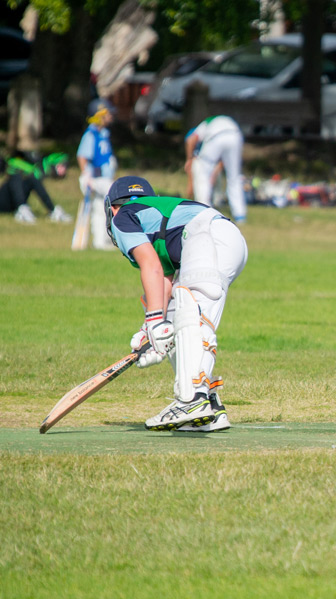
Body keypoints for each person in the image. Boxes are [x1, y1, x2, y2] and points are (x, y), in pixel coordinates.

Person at [105, 175, 248, 431]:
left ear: (112, 207)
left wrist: (154, 320)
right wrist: (150, 328)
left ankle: (192, 398)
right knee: (176, 313)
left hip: (205, 238)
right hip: (226, 239)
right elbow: (164, 283)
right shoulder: (160, 217)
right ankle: (209, 407)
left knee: (190, 313)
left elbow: (150, 265)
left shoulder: (122, 216)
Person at [184, 115, 247, 224]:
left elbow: (190, 140)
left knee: (202, 172)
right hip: (235, 135)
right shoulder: (220, 121)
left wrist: (189, 159)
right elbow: (220, 163)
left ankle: (204, 210)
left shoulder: (201, 127)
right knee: (234, 176)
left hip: (216, 137)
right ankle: (240, 214)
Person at [77, 99, 118, 249]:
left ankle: (103, 240)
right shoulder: (91, 134)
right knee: (105, 206)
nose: (111, 116)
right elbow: (82, 156)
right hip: (95, 178)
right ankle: (100, 241)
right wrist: (86, 175)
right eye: (108, 114)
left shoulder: (103, 133)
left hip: (105, 178)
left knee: (103, 208)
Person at [1, 151, 72, 223]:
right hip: (3, 201)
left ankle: (53, 211)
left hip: (12, 205)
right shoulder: (17, 169)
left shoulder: (34, 172)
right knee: (16, 176)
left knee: (33, 179)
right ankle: (22, 208)